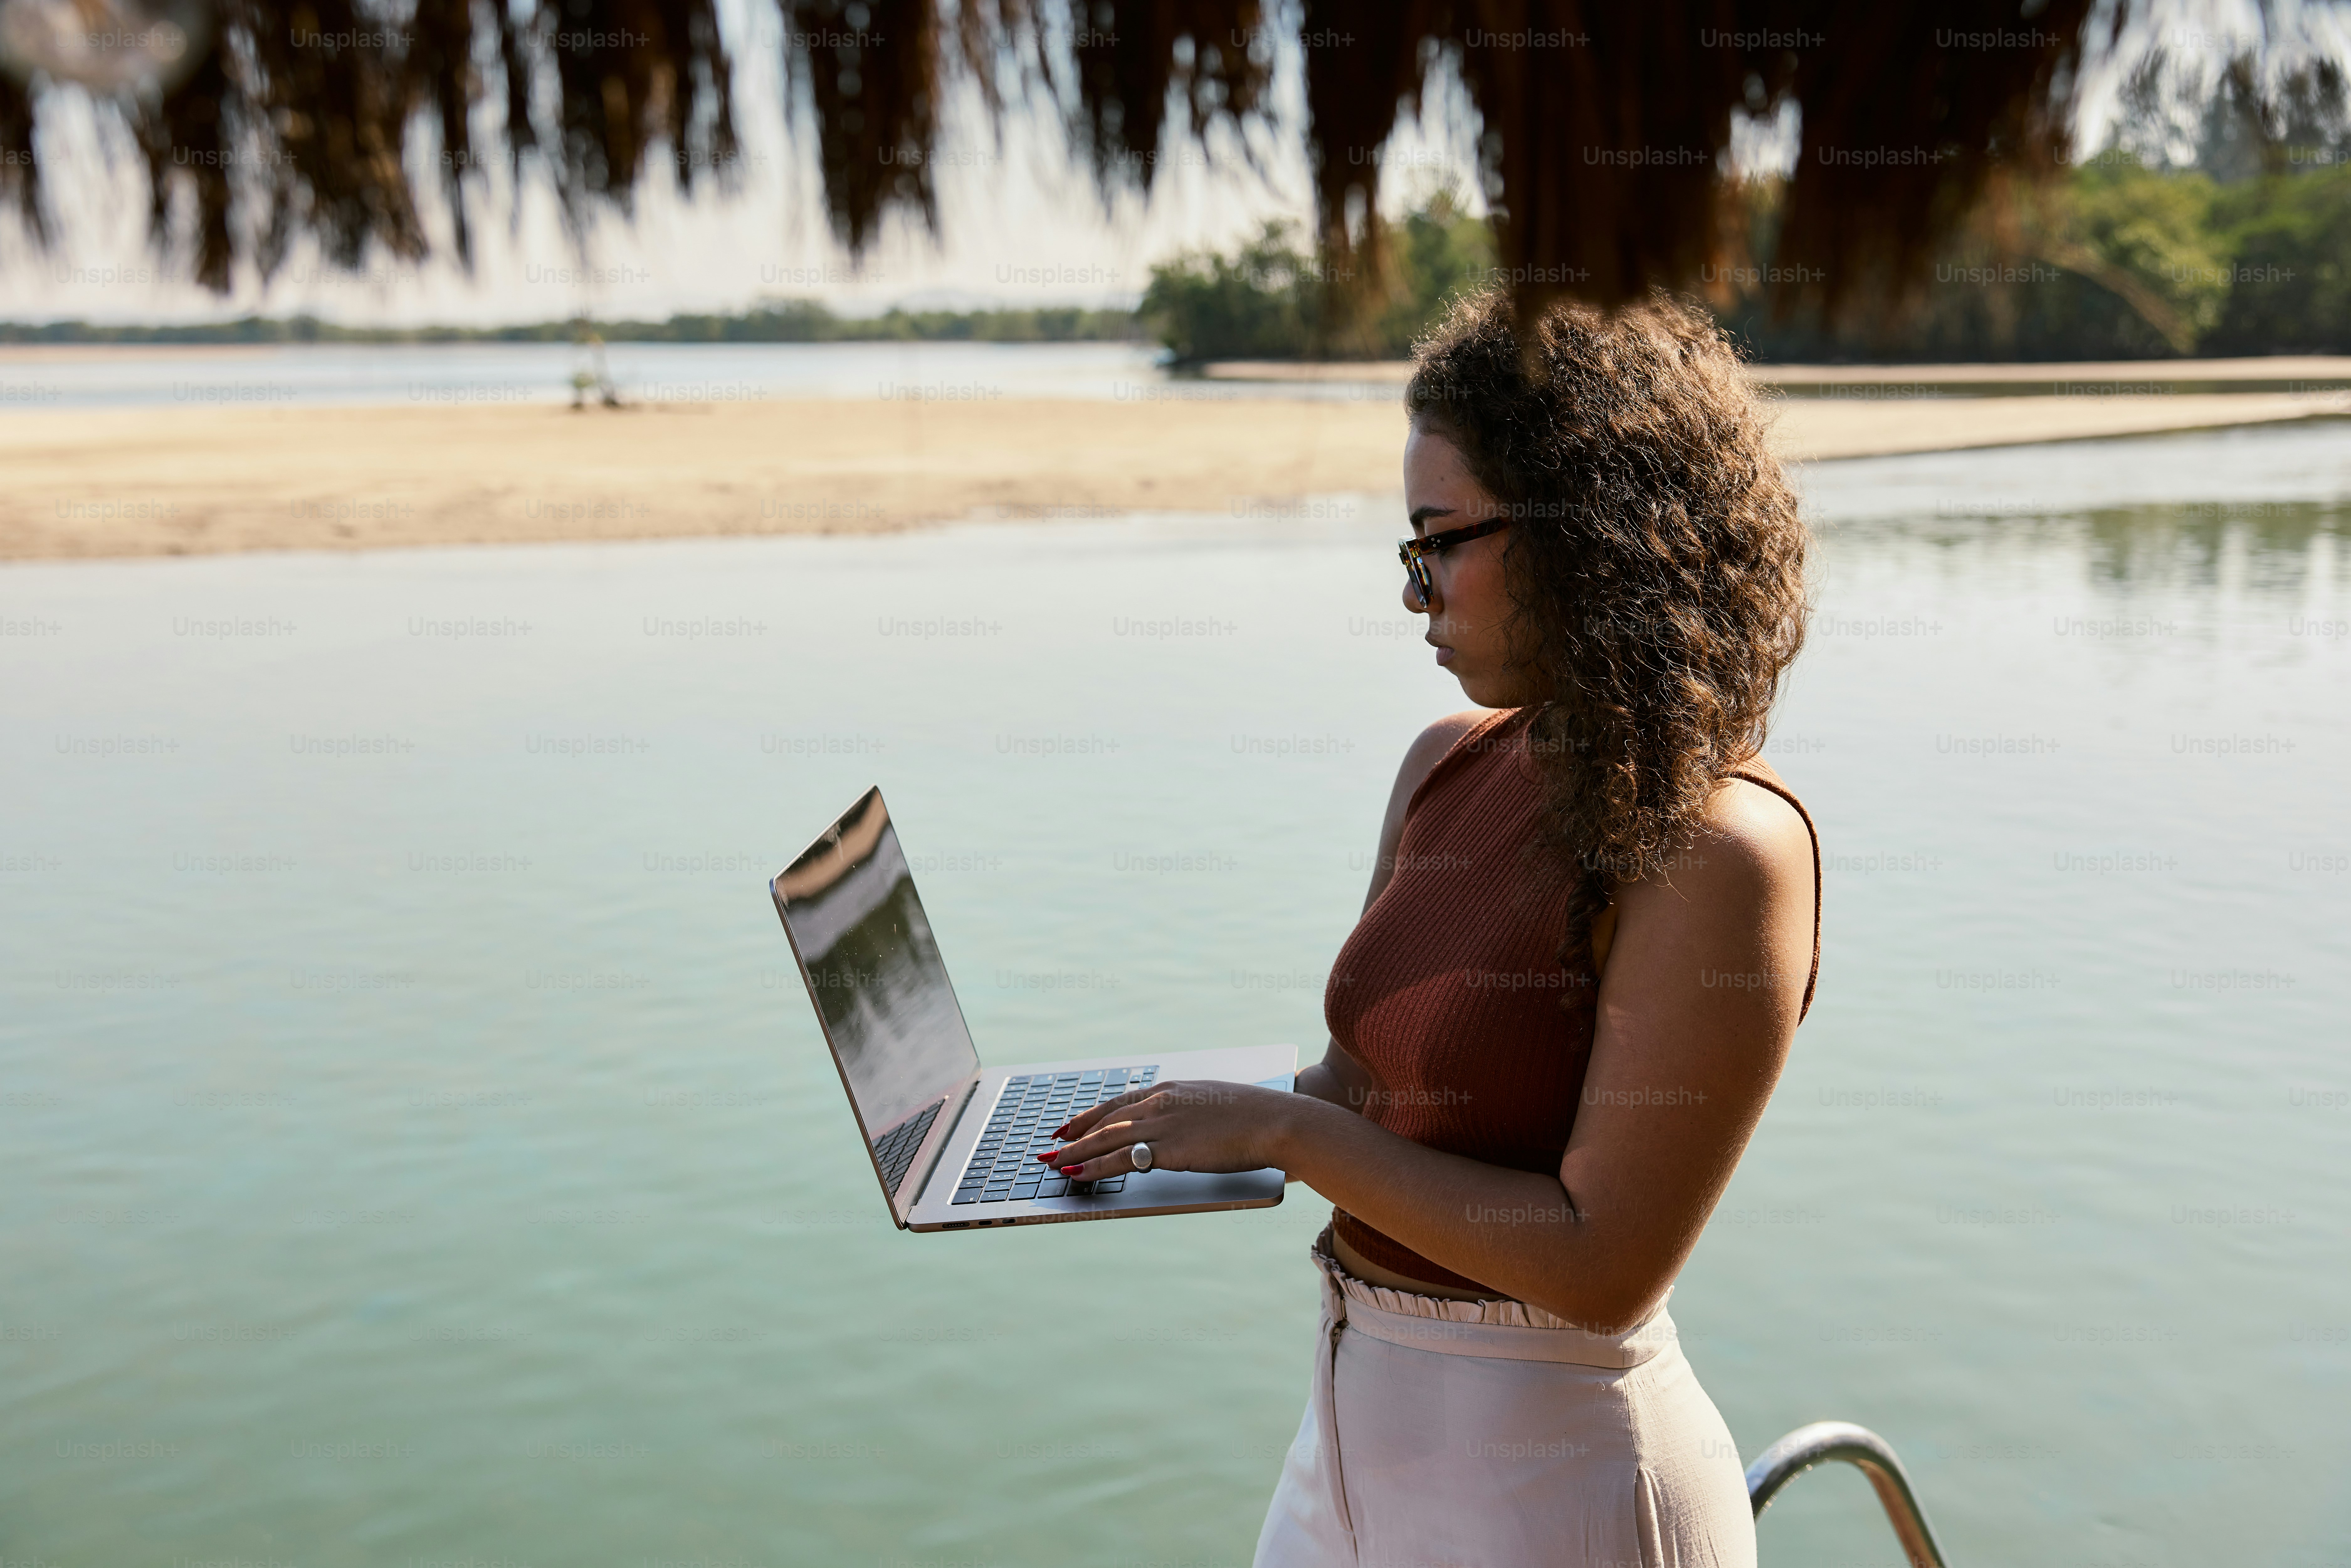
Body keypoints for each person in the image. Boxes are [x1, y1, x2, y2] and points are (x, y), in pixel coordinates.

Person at [1046, 288, 1819, 1566]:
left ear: (1590, 533)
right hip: (1343, 1448)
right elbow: (1365, 1091)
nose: (1417, 596)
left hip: (1559, 1485)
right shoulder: (1444, 765)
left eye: (1439, 542)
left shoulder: (1721, 850)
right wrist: (1146, 1128)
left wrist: (1286, 1132)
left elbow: (1601, 1260)